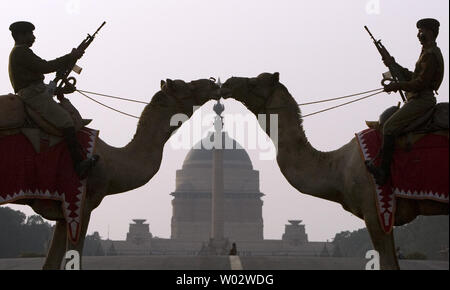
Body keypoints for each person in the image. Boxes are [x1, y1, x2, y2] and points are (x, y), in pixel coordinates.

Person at [8, 21, 99, 179]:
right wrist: (70, 57)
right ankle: (79, 165)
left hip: (36, 92)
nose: (33, 37)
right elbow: (45, 67)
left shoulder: (20, 52)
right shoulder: (20, 51)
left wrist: (61, 90)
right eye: (30, 34)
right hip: (33, 95)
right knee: (66, 121)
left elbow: (40, 79)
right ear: (20, 35)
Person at [366, 18, 444, 185]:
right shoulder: (426, 52)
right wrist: (394, 65)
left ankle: (383, 173)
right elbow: (414, 77)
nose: (418, 34)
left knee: (389, 127)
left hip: (422, 99)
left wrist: (397, 85)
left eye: (421, 31)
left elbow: (420, 83)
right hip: (417, 97)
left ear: (430, 32)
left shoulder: (430, 55)